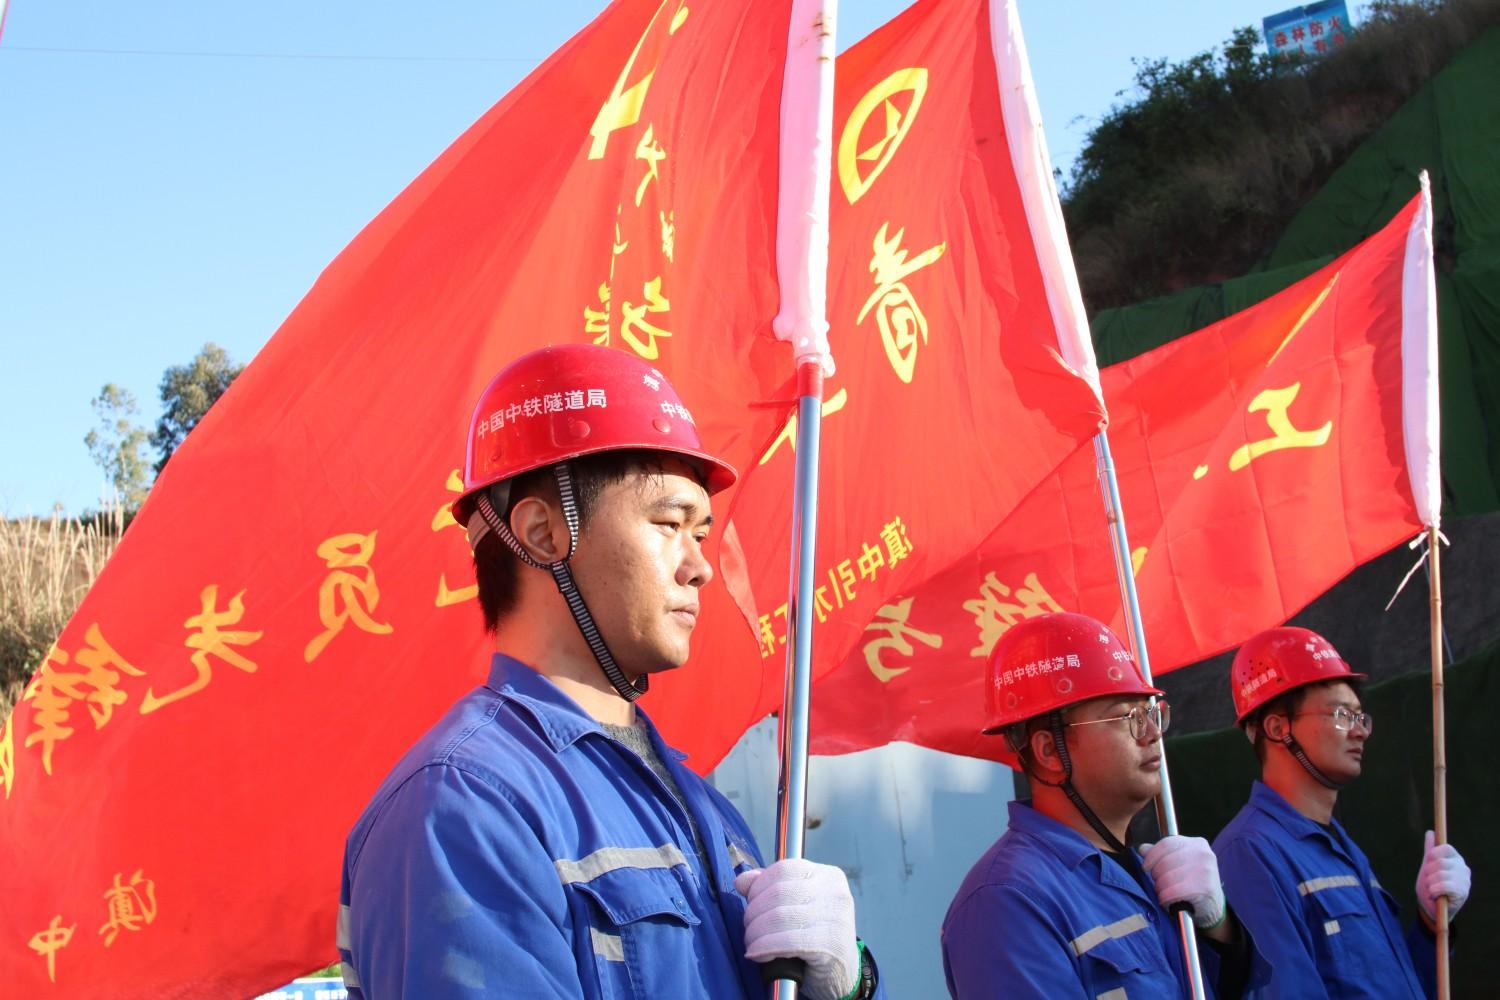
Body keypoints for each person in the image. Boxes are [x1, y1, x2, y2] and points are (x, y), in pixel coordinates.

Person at [338, 344, 881, 1000]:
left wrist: (848, 985)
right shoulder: (466, 804)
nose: (699, 567)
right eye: (668, 523)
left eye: (700, 534)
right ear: (544, 533)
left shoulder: (700, 806)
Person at [942, 611, 1260, 998]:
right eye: (1127, 717)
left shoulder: (1147, 873)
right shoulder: (1006, 902)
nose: (1152, 733)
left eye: (1152, 713)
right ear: (1049, 750)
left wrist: (1221, 932)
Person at [1213, 626, 1471, 998]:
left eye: (1360, 717)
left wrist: (1432, 925)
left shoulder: (1340, 847)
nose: (1360, 732)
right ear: (1278, 728)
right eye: (1341, 715)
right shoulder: (1249, 853)